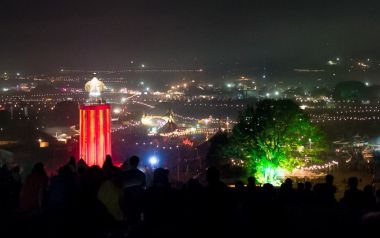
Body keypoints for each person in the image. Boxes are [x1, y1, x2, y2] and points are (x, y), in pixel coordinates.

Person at [119, 156, 146, 225]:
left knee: (127, 220)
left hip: (127, 200)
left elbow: (121, 187)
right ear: (138, 163)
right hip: (138, 201)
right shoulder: (142, 175)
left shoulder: (124, 174)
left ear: (130, 163)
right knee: (136, 219)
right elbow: (143, 187)